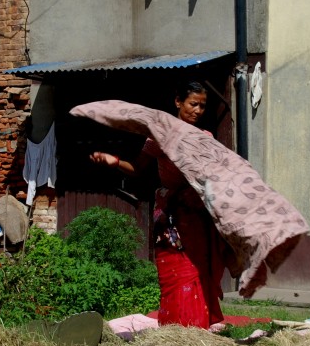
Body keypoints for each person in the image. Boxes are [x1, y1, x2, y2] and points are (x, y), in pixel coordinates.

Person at [90, 82, 228, 331]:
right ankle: (176, 329)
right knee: (176, 271)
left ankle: (197, 328)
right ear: (178, 102)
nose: (197, 110)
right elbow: (137, 168)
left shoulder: (205, 138)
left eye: (202, 106)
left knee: (197, 271)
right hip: (170, 216)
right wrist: (115, 162)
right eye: (193, 104)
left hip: (197, 216)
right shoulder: (161, 136)